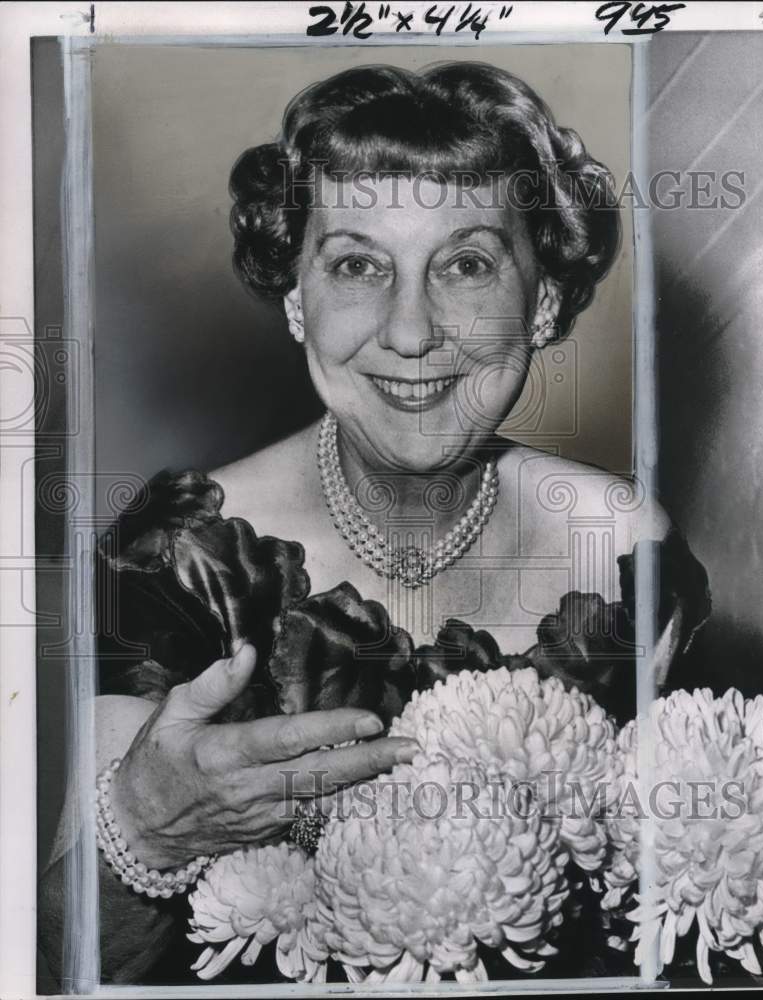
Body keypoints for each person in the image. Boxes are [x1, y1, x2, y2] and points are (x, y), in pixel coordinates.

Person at [41, 62, 710, 984]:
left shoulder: (628, 551)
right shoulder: (179, 554)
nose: (409, 332)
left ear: (544, 302)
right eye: (357, 264)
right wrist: (147, 828)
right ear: (295, 298)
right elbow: (56, 963)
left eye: (467, 264)